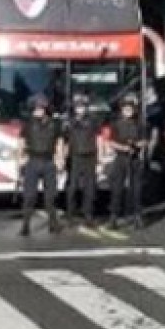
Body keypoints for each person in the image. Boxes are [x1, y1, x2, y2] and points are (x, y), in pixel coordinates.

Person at [19, 94, 65, 237]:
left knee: (50, 196)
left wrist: (60, 158)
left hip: (49, 161)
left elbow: (59, 142)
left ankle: (53, 223)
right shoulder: (27, 123)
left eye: (41, 107)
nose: (38, 110)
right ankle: (25, 225)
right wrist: (19, 159)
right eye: (36, 108)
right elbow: (21, 142)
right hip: (32, 161)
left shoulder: (54, 124)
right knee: (29, 196)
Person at [107, 93, 147, 230]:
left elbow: (144, 141)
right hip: (121, 159)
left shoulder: (139, 124)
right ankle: (113, 218)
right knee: (117, 189)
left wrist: (136, 145)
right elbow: (111, 142)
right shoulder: (116, 124)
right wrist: (124, 147)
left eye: (130, 109)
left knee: (137, 189)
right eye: (125, 109)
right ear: (122, 110)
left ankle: (137, 216)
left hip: (135, 159)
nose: (128, 111)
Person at [64, 93, 101, 231]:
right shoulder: (69, 122)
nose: (80, 109)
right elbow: (64, 141)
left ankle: (88, 216)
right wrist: (62, 158)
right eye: (78, 106)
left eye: (83, 106)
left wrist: (100, 158)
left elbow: (99, 138)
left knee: (89, 189)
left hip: (90, 156)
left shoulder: (93, 120)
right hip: (75, 157)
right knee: (72, 188)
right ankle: (70, 216)